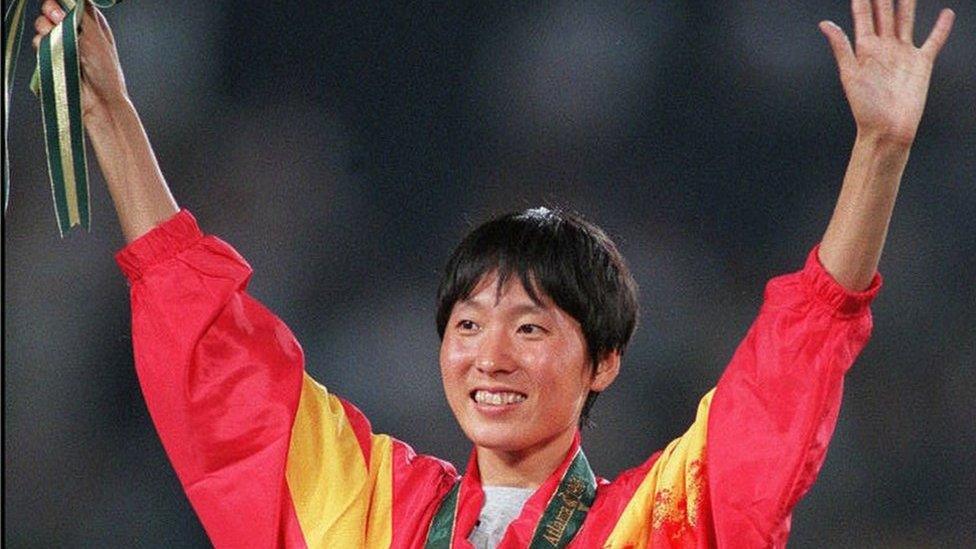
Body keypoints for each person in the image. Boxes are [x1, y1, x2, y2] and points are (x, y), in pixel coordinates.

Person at [29, 1, 955, 547]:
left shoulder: (659, 521)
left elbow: (792, 364)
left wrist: (877, 149)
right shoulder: (374, 511)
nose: (489, 354)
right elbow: (214, 364)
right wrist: (110, 114)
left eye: (532, 326)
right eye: (468, 324)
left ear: (603, 363)